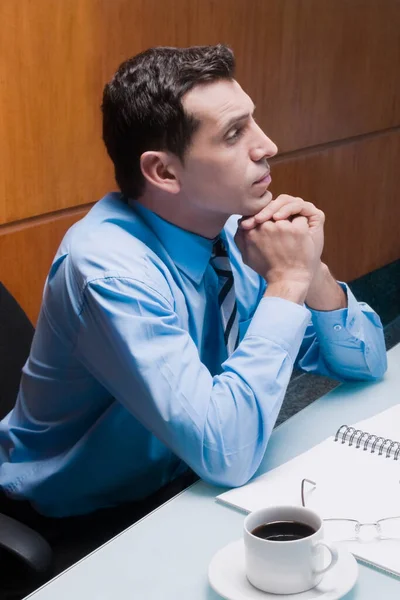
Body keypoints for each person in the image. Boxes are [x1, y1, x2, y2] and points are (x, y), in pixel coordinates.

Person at [0, 44, 387, 520]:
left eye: (254, 120)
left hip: (191, 477)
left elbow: (365, 362)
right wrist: (287, 282)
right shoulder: (110, 273)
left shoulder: (226, 228)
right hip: (86, 519)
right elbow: (227, 452)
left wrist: (312, 272)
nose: (267, 145)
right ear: (163, 171)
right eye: (233, 134)